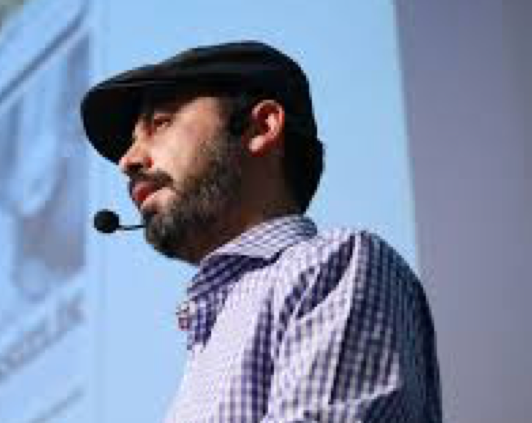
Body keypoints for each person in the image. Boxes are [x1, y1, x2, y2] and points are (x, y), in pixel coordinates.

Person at [80, 41, 442, 422]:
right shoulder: (207, 343)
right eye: (131, 142)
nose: (127, 161)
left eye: (160, 123)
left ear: (262, 127)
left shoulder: (331, 266)